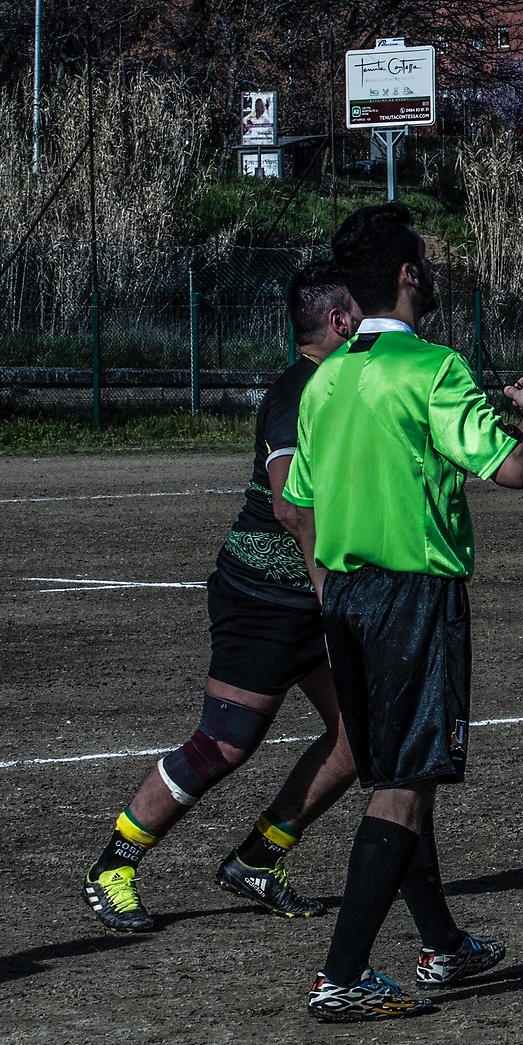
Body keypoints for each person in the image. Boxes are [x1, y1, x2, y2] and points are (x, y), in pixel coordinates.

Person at [284, 204, 523, 1022]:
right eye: (424, 261)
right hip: (414, 598)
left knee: (404, 774)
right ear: (407, 273)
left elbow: (300, 500)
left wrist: (331, 590)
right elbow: (509, 469)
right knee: (403, 785)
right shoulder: (433, 368)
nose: (430, 271)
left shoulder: (324, 377)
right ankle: (343, 974)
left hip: (348, 595)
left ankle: (443, 942)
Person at [82, 264, 363, 934]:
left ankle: (260, 858)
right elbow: (291, 507)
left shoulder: (340, 383)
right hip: (265, 595)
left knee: (365, 733)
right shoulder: (298, 390)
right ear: (341, 322)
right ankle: (114, 865)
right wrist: (331, 593)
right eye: (363, 309)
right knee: (225, 741)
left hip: (311, 594)